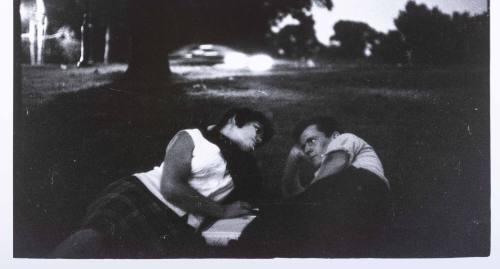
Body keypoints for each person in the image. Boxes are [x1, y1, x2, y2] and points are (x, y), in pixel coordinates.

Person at [51, 107, 273, 258]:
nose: (260, 139)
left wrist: (294, 156)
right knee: (94, 239)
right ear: (235, 120)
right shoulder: (192, 137)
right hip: (144, 195)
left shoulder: (244, 166)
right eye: (258, 130)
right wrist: (221, 211)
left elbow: (263, 197)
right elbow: (171, 187)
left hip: (179, 225)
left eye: (263, 139)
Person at [233, 116, 391, 258]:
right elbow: (292, 195)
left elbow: (337, 162)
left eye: (312, 140)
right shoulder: (322, 176)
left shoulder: (345, 139)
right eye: (303, 146)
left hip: (363, 187)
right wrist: (293, 158)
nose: (307, 149)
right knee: (273, 227)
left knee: (272, 220)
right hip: (346, 211)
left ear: (334, 136)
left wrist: (294, 205)